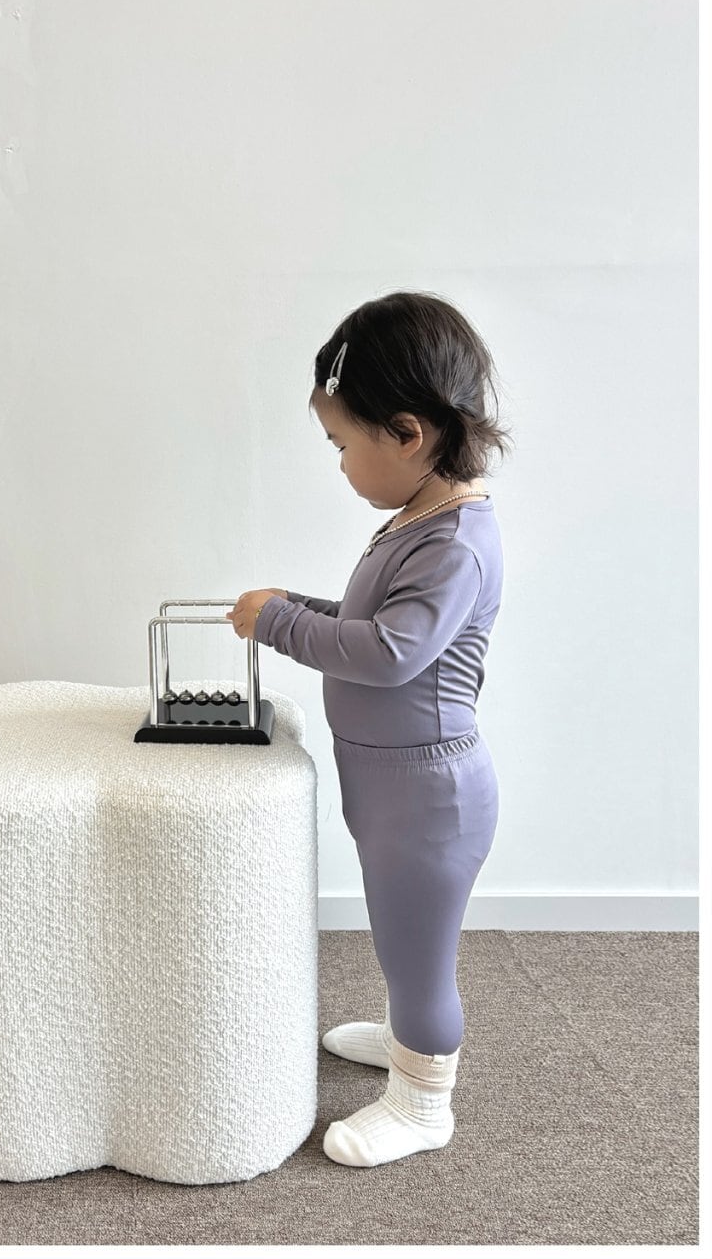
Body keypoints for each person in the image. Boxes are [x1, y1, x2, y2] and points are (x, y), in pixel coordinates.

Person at [226, 290, 514, 1169]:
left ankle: (424, 1103)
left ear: (407, 434)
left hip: (429, 794)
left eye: (343, 444)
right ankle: (403, 1038)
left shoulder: (453, 544)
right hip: (391, 782)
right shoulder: (418, 522)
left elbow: (389, 653)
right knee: (397, 932)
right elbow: (367, 623)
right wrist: (294, 604)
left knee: (419, 953)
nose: (342, 464)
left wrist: (279, 623)